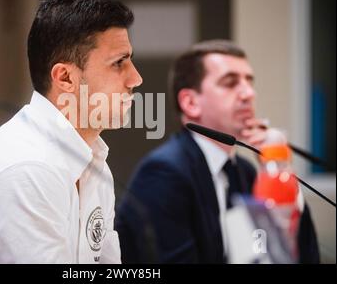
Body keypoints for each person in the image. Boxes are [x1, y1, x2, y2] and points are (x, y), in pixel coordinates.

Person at [0, 0, 142, 263]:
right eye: (119, 63)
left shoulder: (93, 160)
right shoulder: (27, 165)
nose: (135, 78)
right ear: (65, 77)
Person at [116, 40, 319, 263]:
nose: (248, 93)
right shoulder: (164, 172)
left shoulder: (245, 172)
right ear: (191, 102)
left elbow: (284, 256)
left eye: (249, 82)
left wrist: (279, 167)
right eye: (230, 83)